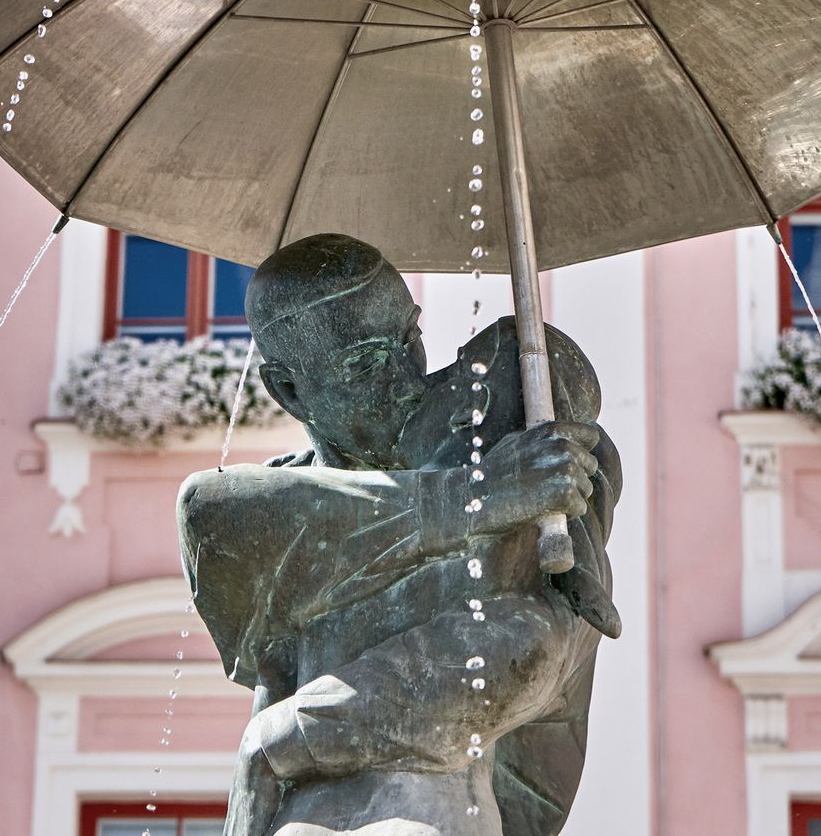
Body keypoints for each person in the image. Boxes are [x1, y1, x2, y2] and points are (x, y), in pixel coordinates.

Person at [178, 234, 619, 835]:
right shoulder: (268, 513)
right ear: (289, 391)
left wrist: (275, 741)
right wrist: (481, 496)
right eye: (364, 364)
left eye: (410, 338)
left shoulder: (512, 491)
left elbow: (527, 651)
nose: (407, 380)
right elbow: (210, 508)